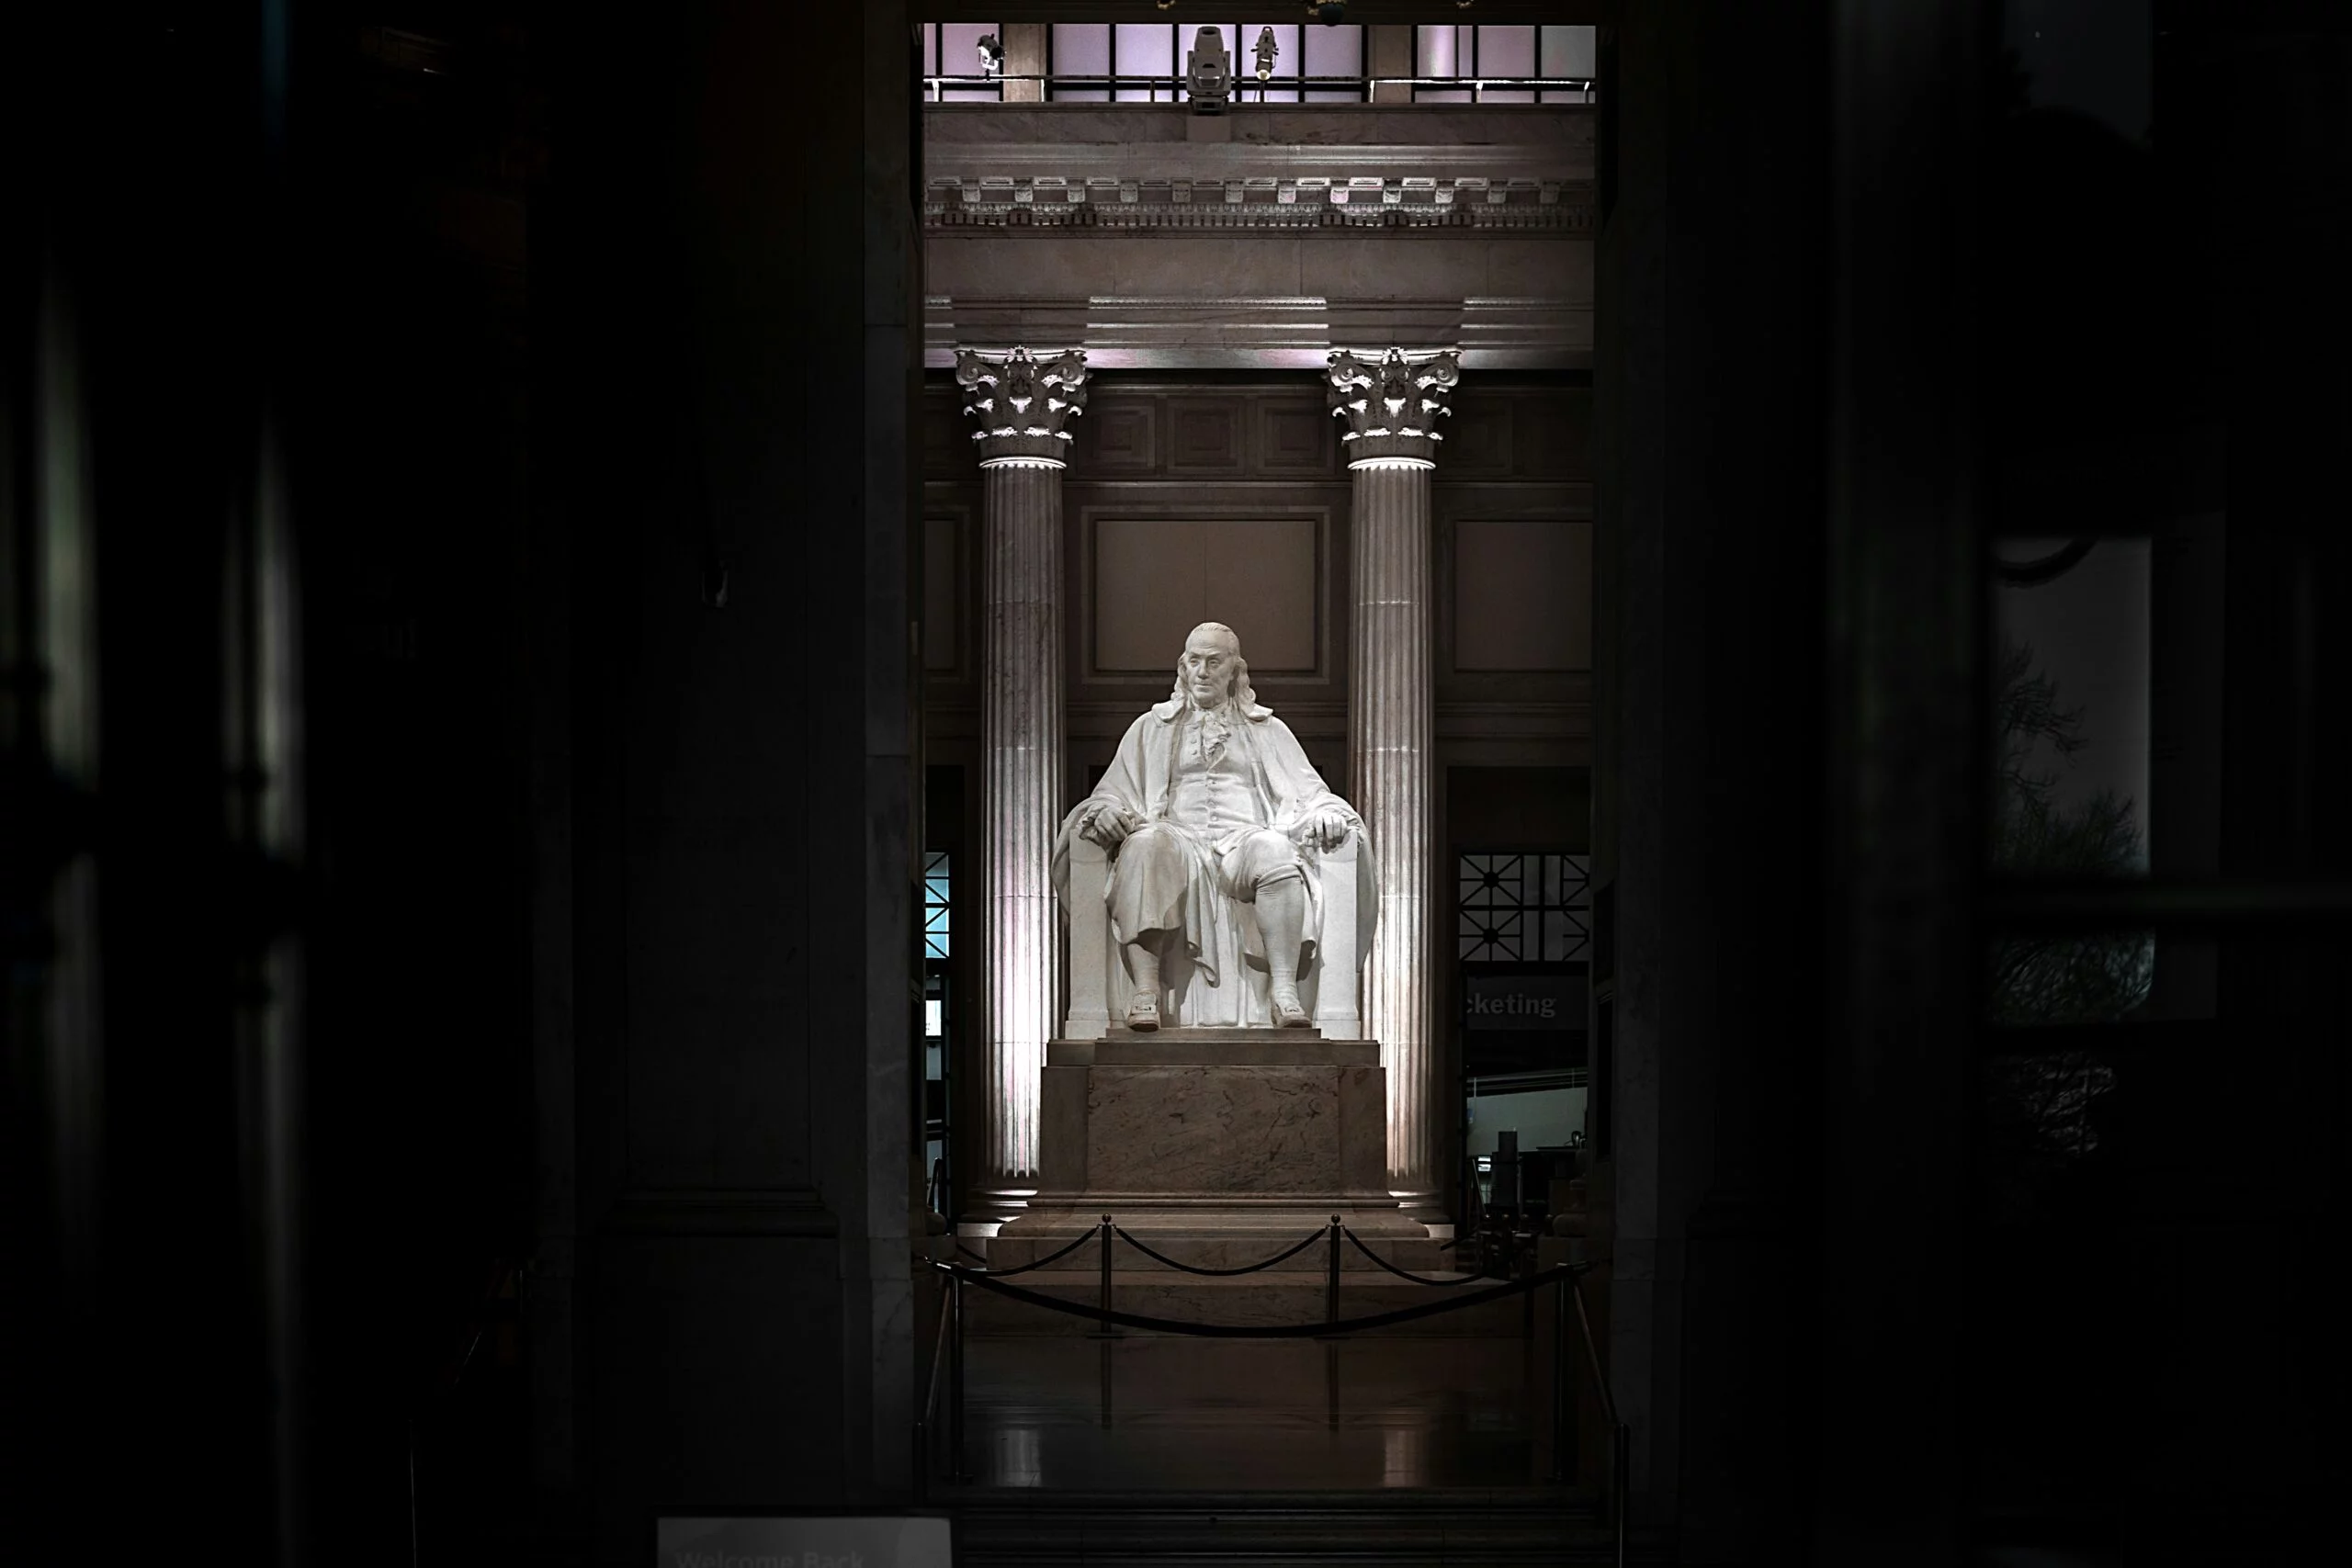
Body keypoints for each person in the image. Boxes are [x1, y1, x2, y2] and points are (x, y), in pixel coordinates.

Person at [1052, 622, 1376, 1030]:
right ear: (1182, 669)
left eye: (1213, 662)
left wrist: (1327, 812)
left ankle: (1284, 991)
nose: (1202, 671)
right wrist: (1103, 810)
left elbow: (1312, 794)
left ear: (1235, 671)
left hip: (1245, 840)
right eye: (1194, 662)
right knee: (1144, 845)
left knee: (1277, 852)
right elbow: (1113, 792)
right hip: (1177, 839)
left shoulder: (1268, 730)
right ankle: (1146, 990)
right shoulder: (1151, 728)